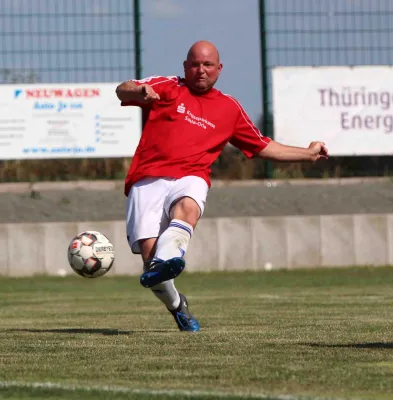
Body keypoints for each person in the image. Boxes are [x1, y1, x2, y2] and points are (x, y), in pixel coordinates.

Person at [115, 40, 328, 332]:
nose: (200, 71)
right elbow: (122, 89)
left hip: (192, 175)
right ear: (185, 66)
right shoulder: (167, 86)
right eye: (194, 64)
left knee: (187, 207)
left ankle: (169, 259)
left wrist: (308, 153)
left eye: (207, 65)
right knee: (153, 266)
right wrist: (139, 91)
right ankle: (178, 305)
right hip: (147, 178)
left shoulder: (229, 108)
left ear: (219, 68)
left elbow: (263, 145)